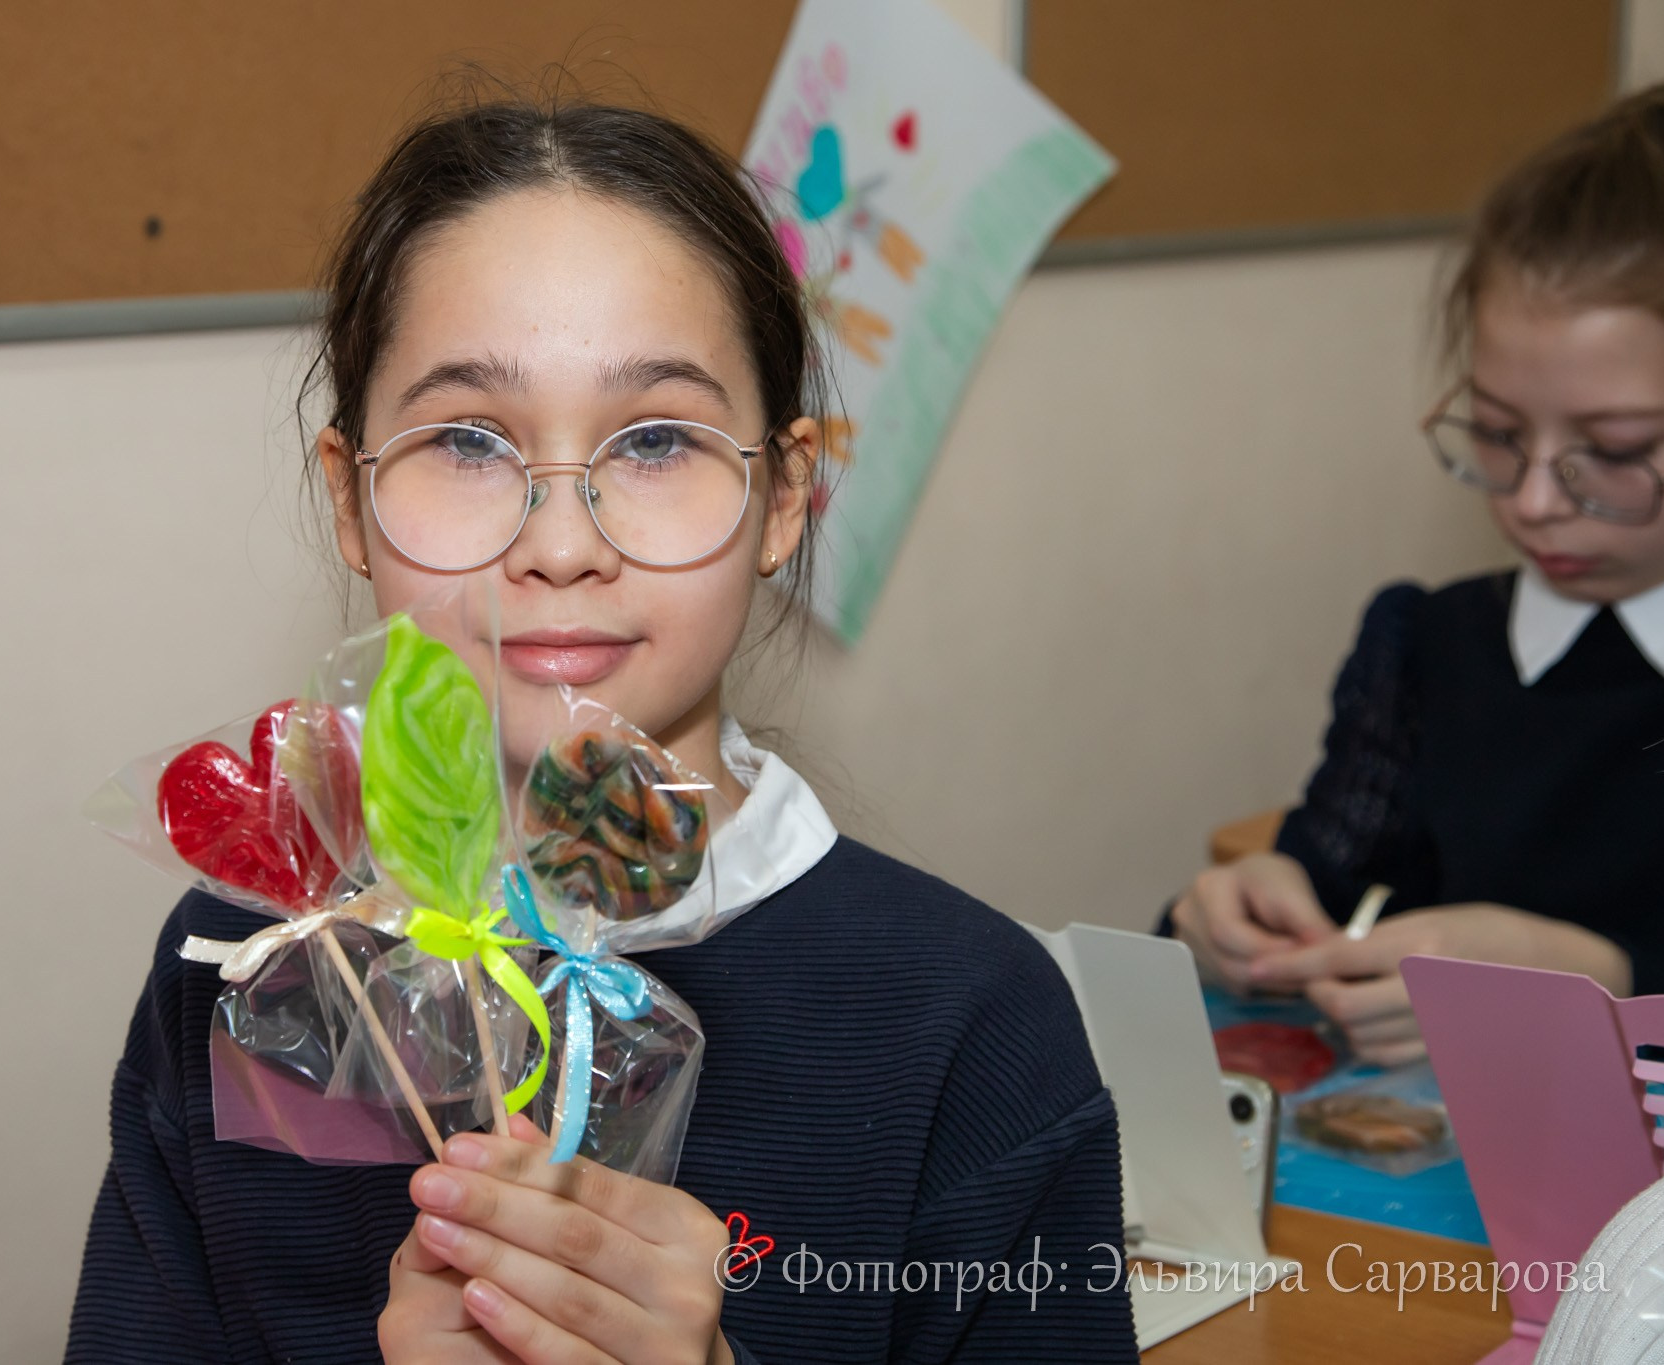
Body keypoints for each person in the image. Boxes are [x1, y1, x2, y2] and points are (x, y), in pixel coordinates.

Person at [66, 94, 1137, 1363]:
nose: (561, 545)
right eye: (465, 439)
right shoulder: (253, 964)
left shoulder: (970, 1021)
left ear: (784, 496)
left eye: (656, 441)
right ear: (348, 500)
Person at [1170, 84, 1664, 1067]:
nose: (1530, 500)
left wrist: (1600, 976)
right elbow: (1328, 885)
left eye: (1612, 449)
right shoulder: (1427, 649)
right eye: (1494, 433)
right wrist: (1236, 920)